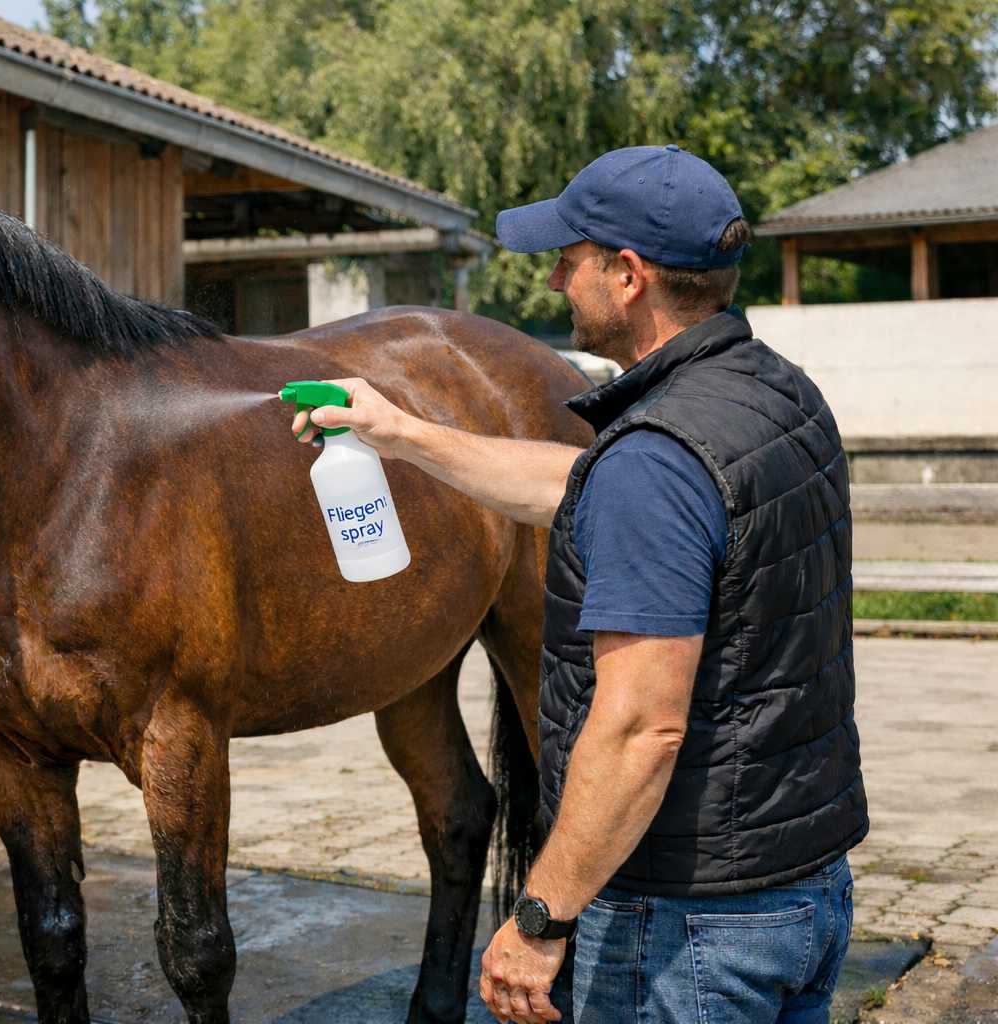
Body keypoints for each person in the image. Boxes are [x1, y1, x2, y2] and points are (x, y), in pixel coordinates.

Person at [290, 145, 867, 1023]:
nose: (555, 279)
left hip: (684, 928)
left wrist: (539, 915)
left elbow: (640, 729)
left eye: (570, 257)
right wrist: (401, 433)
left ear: (628, 275)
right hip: (801, 890)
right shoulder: (773, 396)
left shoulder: (658, 462)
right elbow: (584, 486)